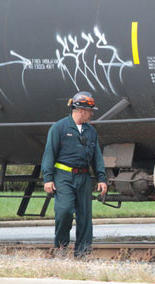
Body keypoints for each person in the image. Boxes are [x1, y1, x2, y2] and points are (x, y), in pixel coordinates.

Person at [41, 91, 108, 257]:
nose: (92, 114)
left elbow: (97, 156)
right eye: (90, 111)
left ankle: (82, 252)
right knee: (64, 211)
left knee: (85, 217)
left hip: (84, 177)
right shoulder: (59, 128)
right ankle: (61, 248)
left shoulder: (90, 131)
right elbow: (49, 153)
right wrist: (48, 179)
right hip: (63, 177)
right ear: (81, 110)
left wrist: (102, 178)